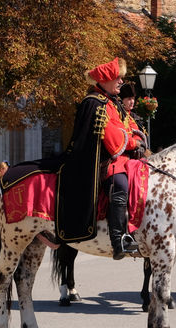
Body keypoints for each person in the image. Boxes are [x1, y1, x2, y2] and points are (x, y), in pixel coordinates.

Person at [56, 57, 145, 260]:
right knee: (120, 184)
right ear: (105, 79)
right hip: (104, 161)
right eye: (118, 78)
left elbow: (124, 127)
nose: (121, 82)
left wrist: (136, 138)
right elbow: (113, 139)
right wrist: (133, 143)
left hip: (120, 158)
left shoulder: (111, 103)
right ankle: (118, 240)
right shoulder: (95, 103)